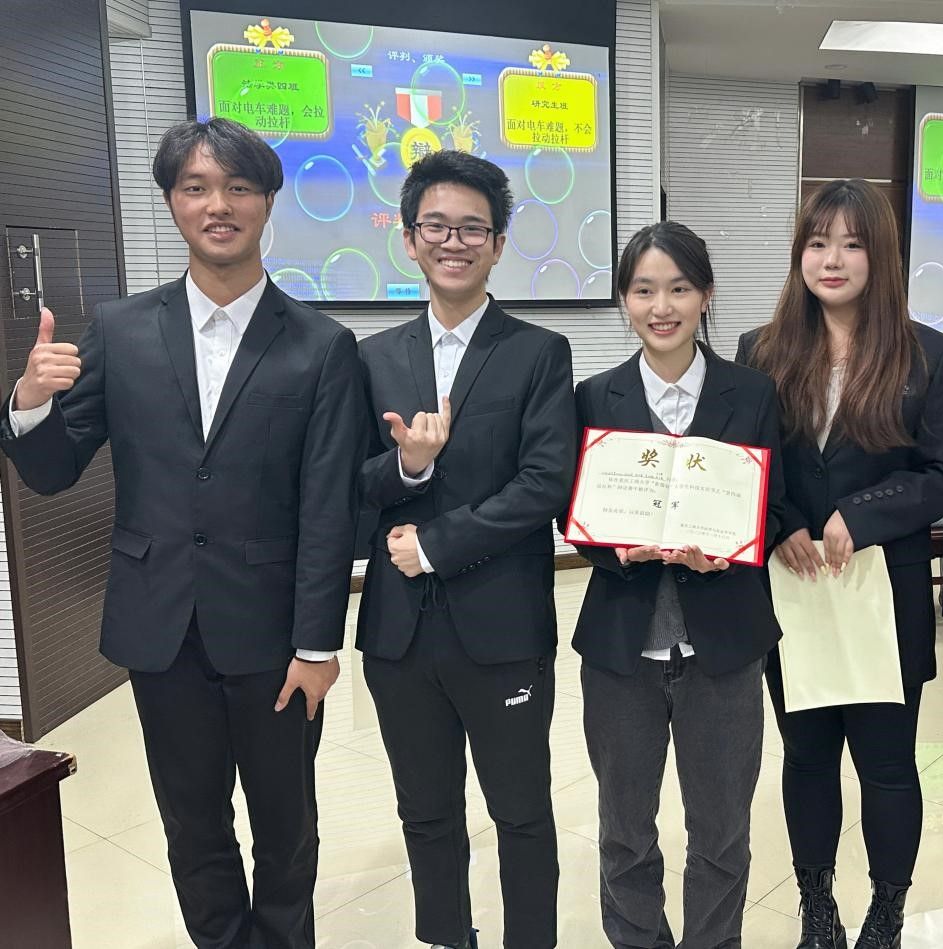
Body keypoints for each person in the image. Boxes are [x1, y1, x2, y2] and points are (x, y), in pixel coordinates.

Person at [0, 117, 366, 947]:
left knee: (287, 829)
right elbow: (54, 470)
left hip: (274, 636)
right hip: (159, 627)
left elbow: (327, 508)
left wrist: (318, 643)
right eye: (196, 187)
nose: (218, 205)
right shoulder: (122, 329)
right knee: (191, 826)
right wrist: (28, 403)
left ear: (266, 202)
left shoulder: (322, 346)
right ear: (171, 202)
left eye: (238, 187)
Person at [736, 179, 943, 949]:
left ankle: (886, 912)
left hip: (883, 592)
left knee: (887, 762)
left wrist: (861, 515)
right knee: (806, 756)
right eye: (817, 242)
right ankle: (817, 906)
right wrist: (780, 523)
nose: (831, 259)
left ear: (882, 255)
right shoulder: (761, 350)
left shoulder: (931, 354)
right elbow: (749, 464)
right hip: (793, 587)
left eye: (851, 243)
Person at [356, 150, 576, 949]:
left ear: (499, 242)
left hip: (503, 628)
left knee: (521, 811)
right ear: (409, 239)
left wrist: (437, 543)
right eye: (437, 226)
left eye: (472, 228)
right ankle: (448, 936)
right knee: (426, 812)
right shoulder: (371, 357)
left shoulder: (539, 351)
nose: (454, 242)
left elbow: (545, 483)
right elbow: (350, 484)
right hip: (399, 635)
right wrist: (410, 466)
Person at [568, 222, 784, 949]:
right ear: (624, 300)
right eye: (643, 290)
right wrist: (616, 548)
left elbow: (775, 504)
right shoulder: (594, 396)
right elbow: (574, 513)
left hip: (724, 647)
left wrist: (733, 550)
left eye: (679, 289)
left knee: (721, 833)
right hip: (621, 650)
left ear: (706, 295)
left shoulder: (752, 392)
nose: (661, 307)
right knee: (624, 830)